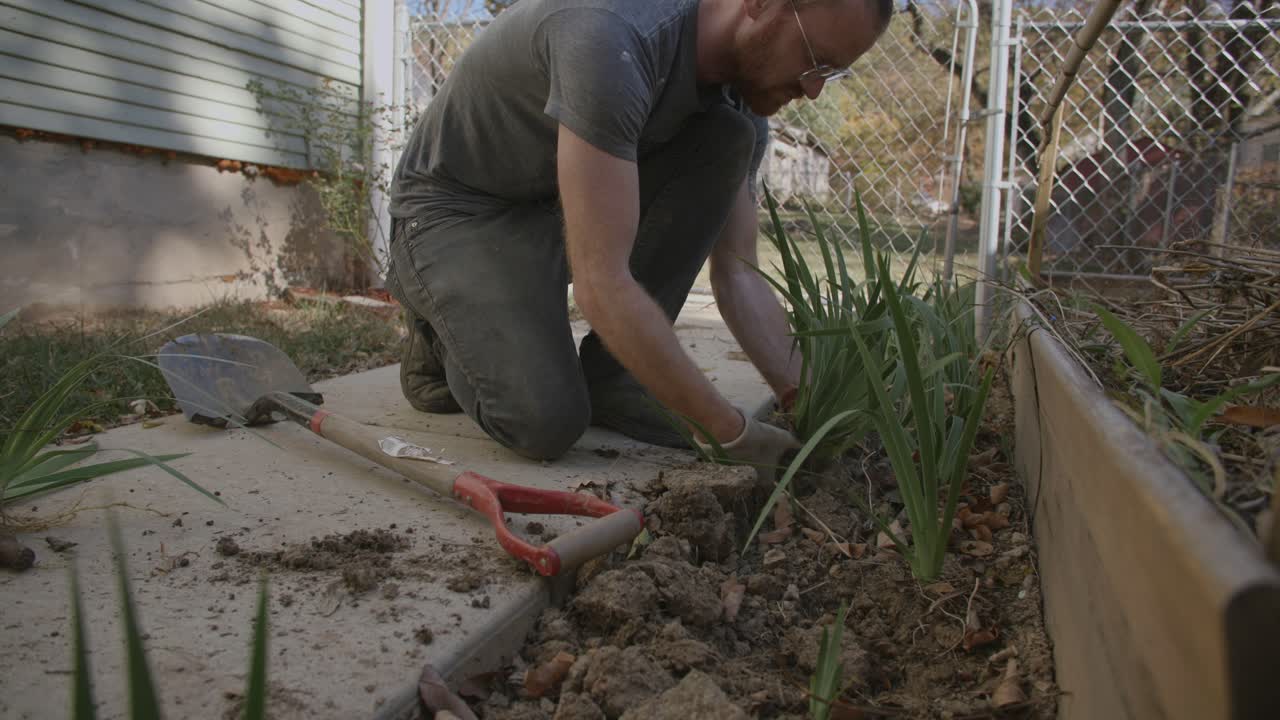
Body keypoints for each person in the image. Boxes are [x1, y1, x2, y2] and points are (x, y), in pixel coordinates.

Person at [385, 0, 892, 480]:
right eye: (813, 59)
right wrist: (729, 433)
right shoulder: (611, 36)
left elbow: (738, 276)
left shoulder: (740, 97)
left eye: (831, 72)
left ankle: (616, 381)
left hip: (554, 206)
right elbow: (601, 284)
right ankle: (437, 331)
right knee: (543, 422)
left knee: (728, 136)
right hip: (457, 212)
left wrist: (806, 399)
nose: (814, 90)